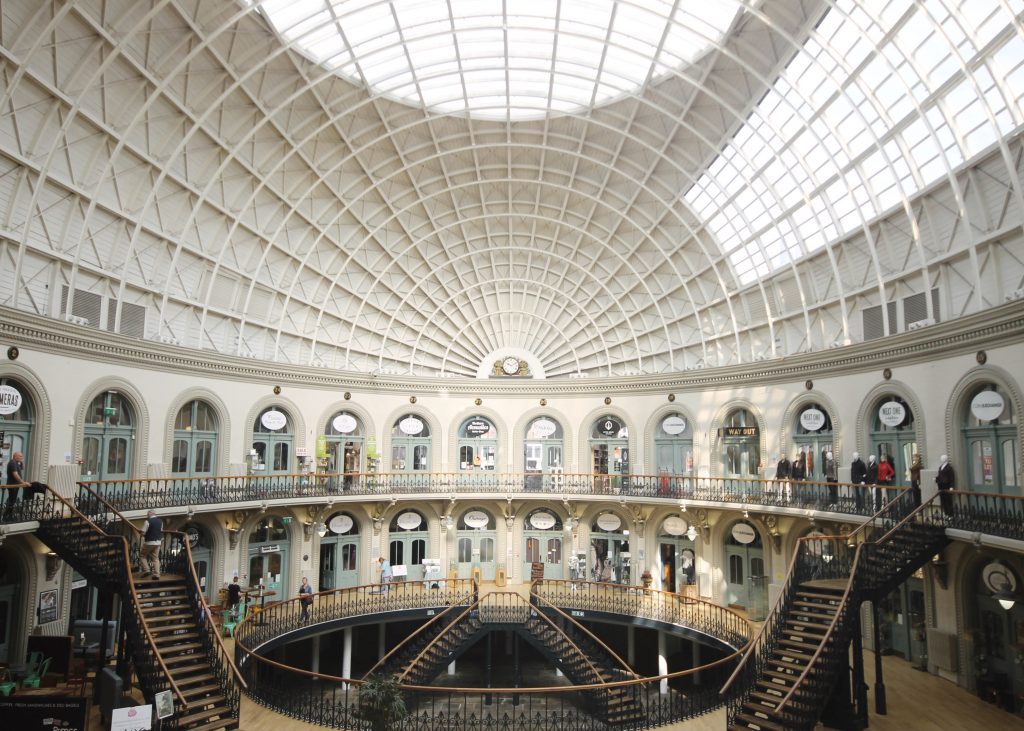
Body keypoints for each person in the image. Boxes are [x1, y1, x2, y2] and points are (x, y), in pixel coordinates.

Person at [138, 509, 162, 580]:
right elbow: (160, 530)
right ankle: (157, 575)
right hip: (158, 542)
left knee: (142, 555)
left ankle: (147, 570)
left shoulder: (147, 521)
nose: (147, 515)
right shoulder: (160, 521)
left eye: (147, 514)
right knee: (155, 558)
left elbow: (143, 532)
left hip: (149, 542)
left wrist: (141, 534)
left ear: (150, 514)